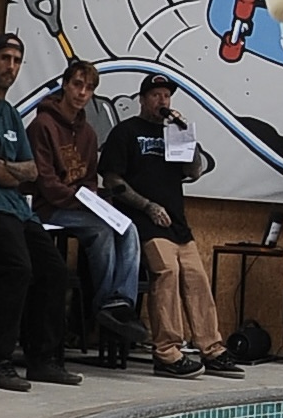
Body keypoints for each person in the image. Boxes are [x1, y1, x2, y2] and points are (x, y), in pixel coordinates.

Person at [0, 32, 80, 391]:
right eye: (5, 58)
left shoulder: (9, 112)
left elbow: (32, 171)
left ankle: (42, 359)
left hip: (17, 208)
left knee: (53, 271)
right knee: (17, 266)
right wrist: (6, 169)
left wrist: (4, 167)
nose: (11, 66)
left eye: (17, 60)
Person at [98, 72, 243, 380]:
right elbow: (111, 179)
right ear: (142, 99)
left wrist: (186, 136)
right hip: (142, 220)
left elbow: (194, 172)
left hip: (176, 221)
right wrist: (147, 206)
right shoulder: (126, 132)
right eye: (155, 95)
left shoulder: (174, 133)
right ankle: (167, 352)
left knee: (196, 277)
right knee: (168, 272)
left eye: (166, 96)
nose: (162, 100)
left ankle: (212, 348)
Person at [27, 58, 148, 346]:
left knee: (128, 228)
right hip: (49, 208)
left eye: (89, 88)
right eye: (78, 85)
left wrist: (91, 199)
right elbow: (46, 182)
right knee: (102, 231)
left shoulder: (89, 134)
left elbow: (90, 179)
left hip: (81, 206)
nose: (82, 93)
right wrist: (81, 200)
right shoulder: (42, 125)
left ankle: (120, 304)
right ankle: (106, 302)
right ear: (65, 85)